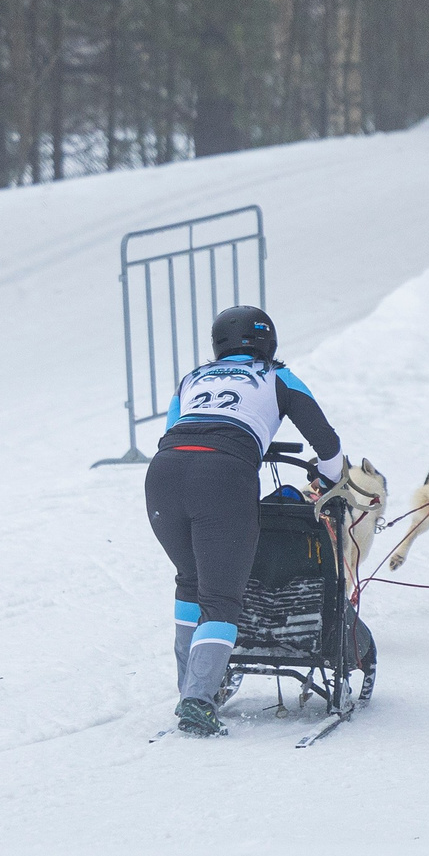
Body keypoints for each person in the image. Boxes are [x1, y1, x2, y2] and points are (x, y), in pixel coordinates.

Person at [147, 304, 343, 737]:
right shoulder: (276, 375)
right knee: (221, 598)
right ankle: (198, 701)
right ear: (267, 339)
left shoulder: (193, 378)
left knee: (190, 581)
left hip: (163, 473)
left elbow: (174, 428)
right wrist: (328, 482)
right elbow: (326, 443)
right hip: (222, 474)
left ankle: (191, 687)